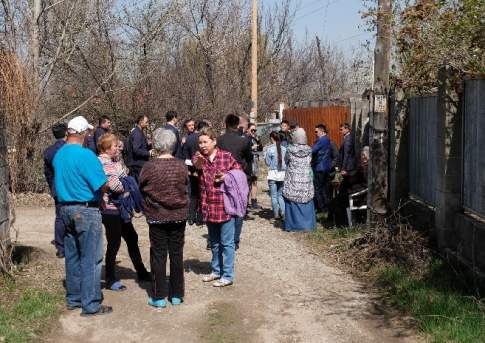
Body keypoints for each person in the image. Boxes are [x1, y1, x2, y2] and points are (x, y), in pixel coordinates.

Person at [53, 115, 112, 316]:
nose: (88, 135)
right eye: (87, 132)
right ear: (81, 133)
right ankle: (91, 304)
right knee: (92, 258)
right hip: (86, 209)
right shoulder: (86, 155)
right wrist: (107, 186)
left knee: (72, 256)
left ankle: (74, 299)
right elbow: (101, 184)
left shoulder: (59, 154)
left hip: (65, 209)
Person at [139, 128, 189, 308]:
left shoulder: (149, 166)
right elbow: (185, 186)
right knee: (176, 254)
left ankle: (159, 296)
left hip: (157, 215)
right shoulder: (181, 165)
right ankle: (176, 295)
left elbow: (141, 186)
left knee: (159, 255)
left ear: (157, 144)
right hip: (178, 215)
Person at [97, 133, 150, 291]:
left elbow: (124, 175)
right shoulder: (104, 162)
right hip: (110, 209)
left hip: (121, 208)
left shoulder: (113, 161)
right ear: (106, 148)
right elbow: (116, 186)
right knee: (114, 243)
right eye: (115, 146)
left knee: (132, 237)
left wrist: (124, 180)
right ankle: (110, 278)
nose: (118, 149)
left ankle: (141, 272)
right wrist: (127, 183)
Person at [194, 127, 241, 287]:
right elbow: (197, 166)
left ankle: (227, 275)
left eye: (205, 142)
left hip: (225, 205)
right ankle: (216, 270)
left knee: (227, 243)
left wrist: (226, 176)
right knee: (214, 242)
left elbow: (239, 174)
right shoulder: (199, 157)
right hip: (208, 205)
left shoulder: (226, 157)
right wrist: (199, 162)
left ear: (214, 141)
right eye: (200, 142)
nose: (202, 145)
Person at [217, 114, 252, 250]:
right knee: (239, 207)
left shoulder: (219, 140)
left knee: (224, 207)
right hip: (239, 177)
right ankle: (235, 239)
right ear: (237, 125)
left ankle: (223, 236)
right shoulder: (243, 141)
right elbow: (249, 158)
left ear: (225, 124)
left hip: (222, 176)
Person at [282, 128, 316, 232]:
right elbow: (310, 161)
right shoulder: (309, 149)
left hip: (293, 178)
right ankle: (308, 225)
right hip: (306, 178)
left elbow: (286, 160)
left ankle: (293, 225)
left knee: (293, 197)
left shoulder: (290, 149)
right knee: (306, 197)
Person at [43, 123, 67, 258]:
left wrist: (53, 185)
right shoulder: (72, 148)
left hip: (57, 187)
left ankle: (60, 247)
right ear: (66, 133)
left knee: (59, 217)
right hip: (73, 188)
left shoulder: (49, 151)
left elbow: (47, 173)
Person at [331, 147, 369, 226]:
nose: (362, 159)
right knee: (338, 197)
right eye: (362, 157)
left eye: (363, 157)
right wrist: (347, 174)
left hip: (360, 193)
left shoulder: (366, 168)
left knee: (339, 200)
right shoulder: (363, 167)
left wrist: (346, 176)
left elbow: (355, 179)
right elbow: (354, 176)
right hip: (357, 189)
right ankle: (340, 222)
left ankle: (342, 224)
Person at [183, 120, 210, 226]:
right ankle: (200, 218)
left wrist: (190, 169)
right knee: (202, 194)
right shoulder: (205, 140)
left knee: (193, 194)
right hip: (203, 170)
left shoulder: (188, 139)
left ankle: (190, 217)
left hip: (191, 170)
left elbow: (185, 156)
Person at [265, 131, 287, 221]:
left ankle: (276, 214)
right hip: (282, 174)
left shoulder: (269, 149)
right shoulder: (284, 149)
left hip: (273, 174)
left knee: (274, 196)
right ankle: (284, 213)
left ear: (271, 138)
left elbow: (267, 163)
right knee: (280, 195)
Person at [312, 124, 332, 214]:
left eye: (316, 131)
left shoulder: (321, 140)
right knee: (324, 188)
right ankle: (326, 207)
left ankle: (322, 208)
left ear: (322, 131)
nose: (315, 133)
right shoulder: (327, 139)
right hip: (326, 167)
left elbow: (312, 150)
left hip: (319, 167)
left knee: (318, 188)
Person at [125, 115, 152, 182]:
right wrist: (148, 153)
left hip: (138, 164)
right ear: (141, 122)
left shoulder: (139, 132)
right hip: (137, 165)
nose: (147, 124)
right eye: (146, 122)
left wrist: (148, 144)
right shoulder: (137, 133)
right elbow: (136, 150)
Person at [245, 123, 263, 209]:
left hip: (255, 161)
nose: (253, 132)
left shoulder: (255, 138)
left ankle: (254, 201)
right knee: (247, 183)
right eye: (252, 130)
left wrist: (259, 141)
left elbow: (260, 149)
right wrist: (251, 148)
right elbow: (244, 151)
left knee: (255, 181)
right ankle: (245, 202)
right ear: (247, 129)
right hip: (248, 162)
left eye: (255, 130)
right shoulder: (245, 138)